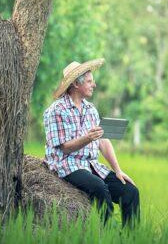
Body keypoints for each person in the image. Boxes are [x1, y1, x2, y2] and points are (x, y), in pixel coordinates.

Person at [43, 58, 140, 227]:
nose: (93, 85)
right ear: (75, 84)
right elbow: (64, 148)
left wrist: (118, 170)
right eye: (89, 81)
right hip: (66, 165)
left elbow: (103, 140)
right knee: (99, 187)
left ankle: (132, 238)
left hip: (90, 165)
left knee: (130, 191)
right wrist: (87, 138)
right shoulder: (56, 111)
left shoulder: (91, 109)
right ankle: (110, 234)